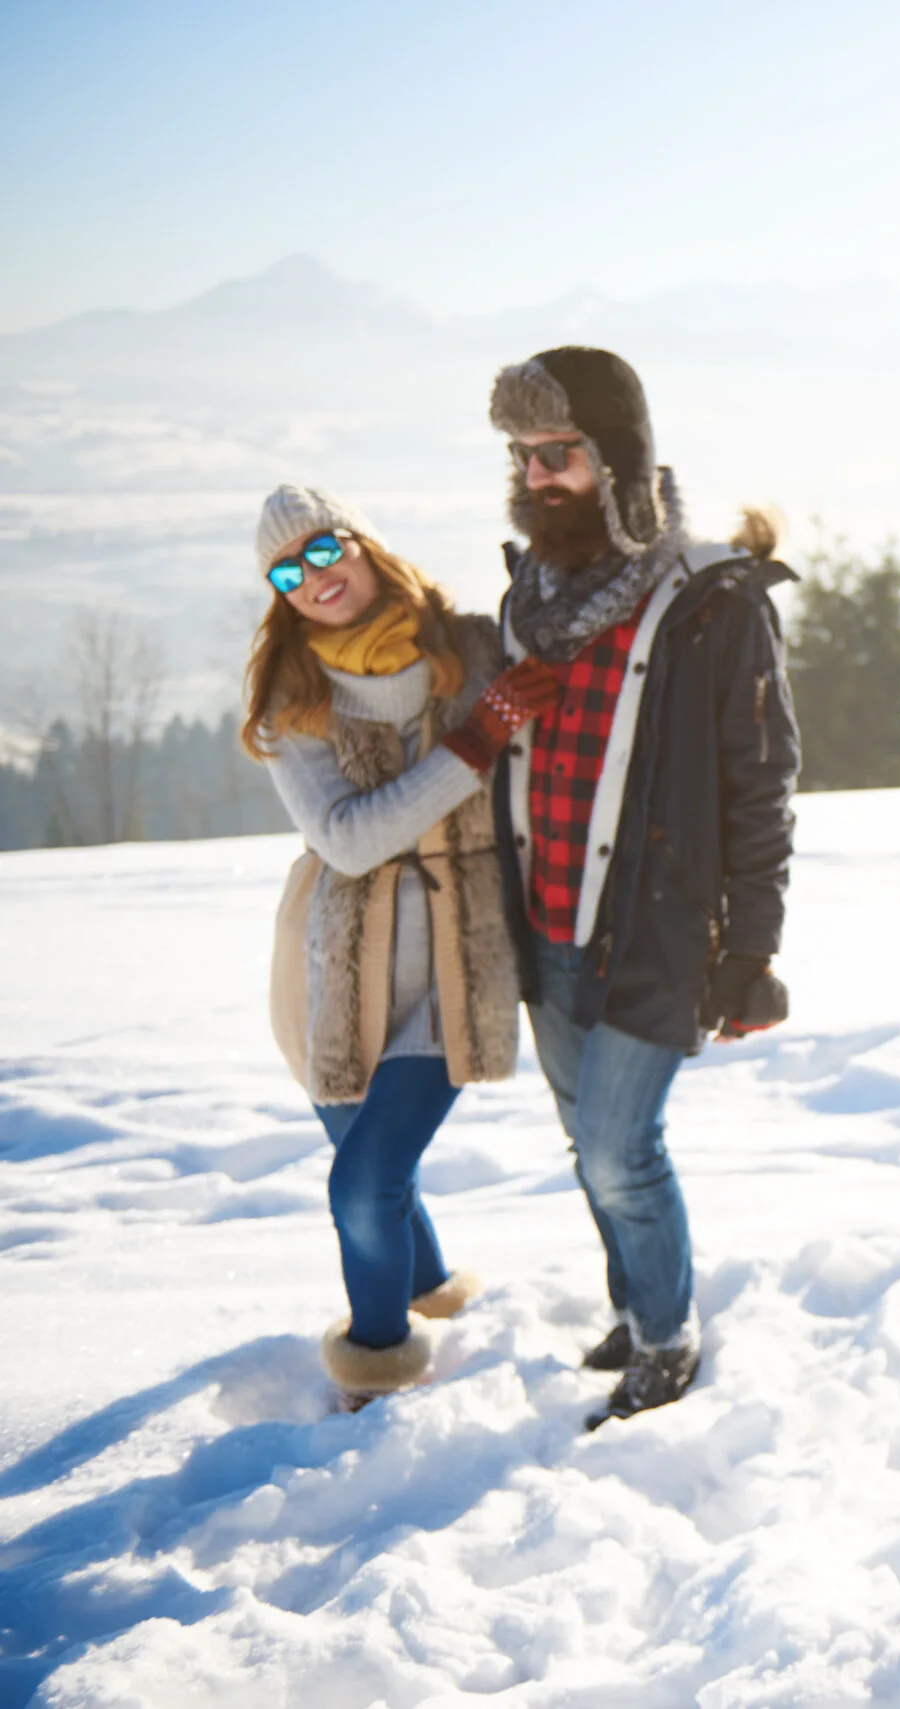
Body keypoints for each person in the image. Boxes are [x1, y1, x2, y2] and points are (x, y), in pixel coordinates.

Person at [484, 346, 801, 1428]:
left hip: (654, 933)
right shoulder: (527, 597)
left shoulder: (708, 599)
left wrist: (752, 949)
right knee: (589, 1148)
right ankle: (633, 1301)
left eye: (559, 453)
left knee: (622, 1149)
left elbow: (761, 786)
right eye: (524, 456)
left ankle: (667, 1335)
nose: (538, 477)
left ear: (617, 462)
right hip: (545, 925)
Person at [245, 484, 557, 1407]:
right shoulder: (287, 697)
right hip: (334, 970)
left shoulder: (467, 649)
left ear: (363, 544)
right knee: (374, 1165)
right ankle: (429, 1290)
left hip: (457, 965)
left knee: (363, 1180)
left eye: (324, 549)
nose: (314, 577)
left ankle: (376, 1367)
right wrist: (475, 742)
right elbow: (347, 840)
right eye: (287, 570)